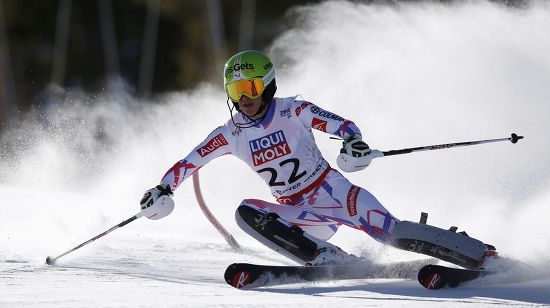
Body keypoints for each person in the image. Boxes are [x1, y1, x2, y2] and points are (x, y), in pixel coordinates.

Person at [140, 50, 495, 268]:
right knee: (246, 212)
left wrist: (354, 142)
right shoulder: (231, 132)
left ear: (266, 84)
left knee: (392, 233)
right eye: (235, 91)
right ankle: (325, 257)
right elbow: (189, 162)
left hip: (334, 192)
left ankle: (479, 255)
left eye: (249, 88)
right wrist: (162, 188)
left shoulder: (293, 110)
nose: (243, 98)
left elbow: (343, 125)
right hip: (302, 215)